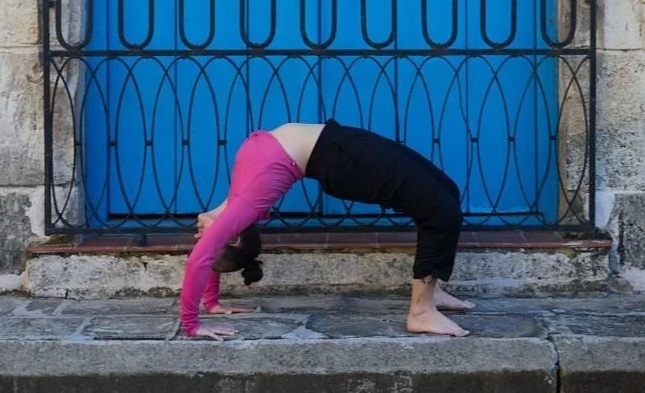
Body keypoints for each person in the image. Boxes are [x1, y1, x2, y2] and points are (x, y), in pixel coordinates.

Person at [180, 121, 472, 339]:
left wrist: (212, 303)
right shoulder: (244, 209)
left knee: (446, 190)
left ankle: (431, 293)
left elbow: (210, 259)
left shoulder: (234, 202)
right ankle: (420, 312)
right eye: (203, 240)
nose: (198, 239)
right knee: (438, 208)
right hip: (338, 159)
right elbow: (203, 260)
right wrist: (192, 326)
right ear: (232, 236)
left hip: (337, 143)